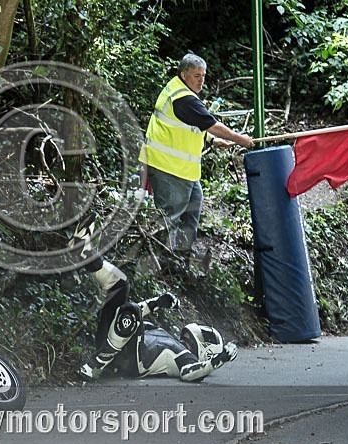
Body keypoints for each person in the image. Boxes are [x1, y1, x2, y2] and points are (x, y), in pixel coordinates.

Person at [70, 216, 237, 382]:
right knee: (121, 284)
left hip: (128, 362)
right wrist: (157, 303)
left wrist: (218, 360)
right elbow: (131, 318)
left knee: (132, 310)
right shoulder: (164, 334)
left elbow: (190, 373)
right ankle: (83, 253)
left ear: (208, 349)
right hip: (115, 346)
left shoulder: (185, 357)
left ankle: (95, 366)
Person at [139, 53, 255, 259]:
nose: (201, 80)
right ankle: (160, 264)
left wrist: (211, 140)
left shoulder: (180, 90)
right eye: (196, 76)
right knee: (169, 219)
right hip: (168, 168)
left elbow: (191, 125)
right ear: (184, 75)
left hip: (185, 171)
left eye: (203, 75)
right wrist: (240, 139)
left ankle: (182, 257)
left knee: (191, 215)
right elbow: (211, 124)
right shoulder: (183, 98)